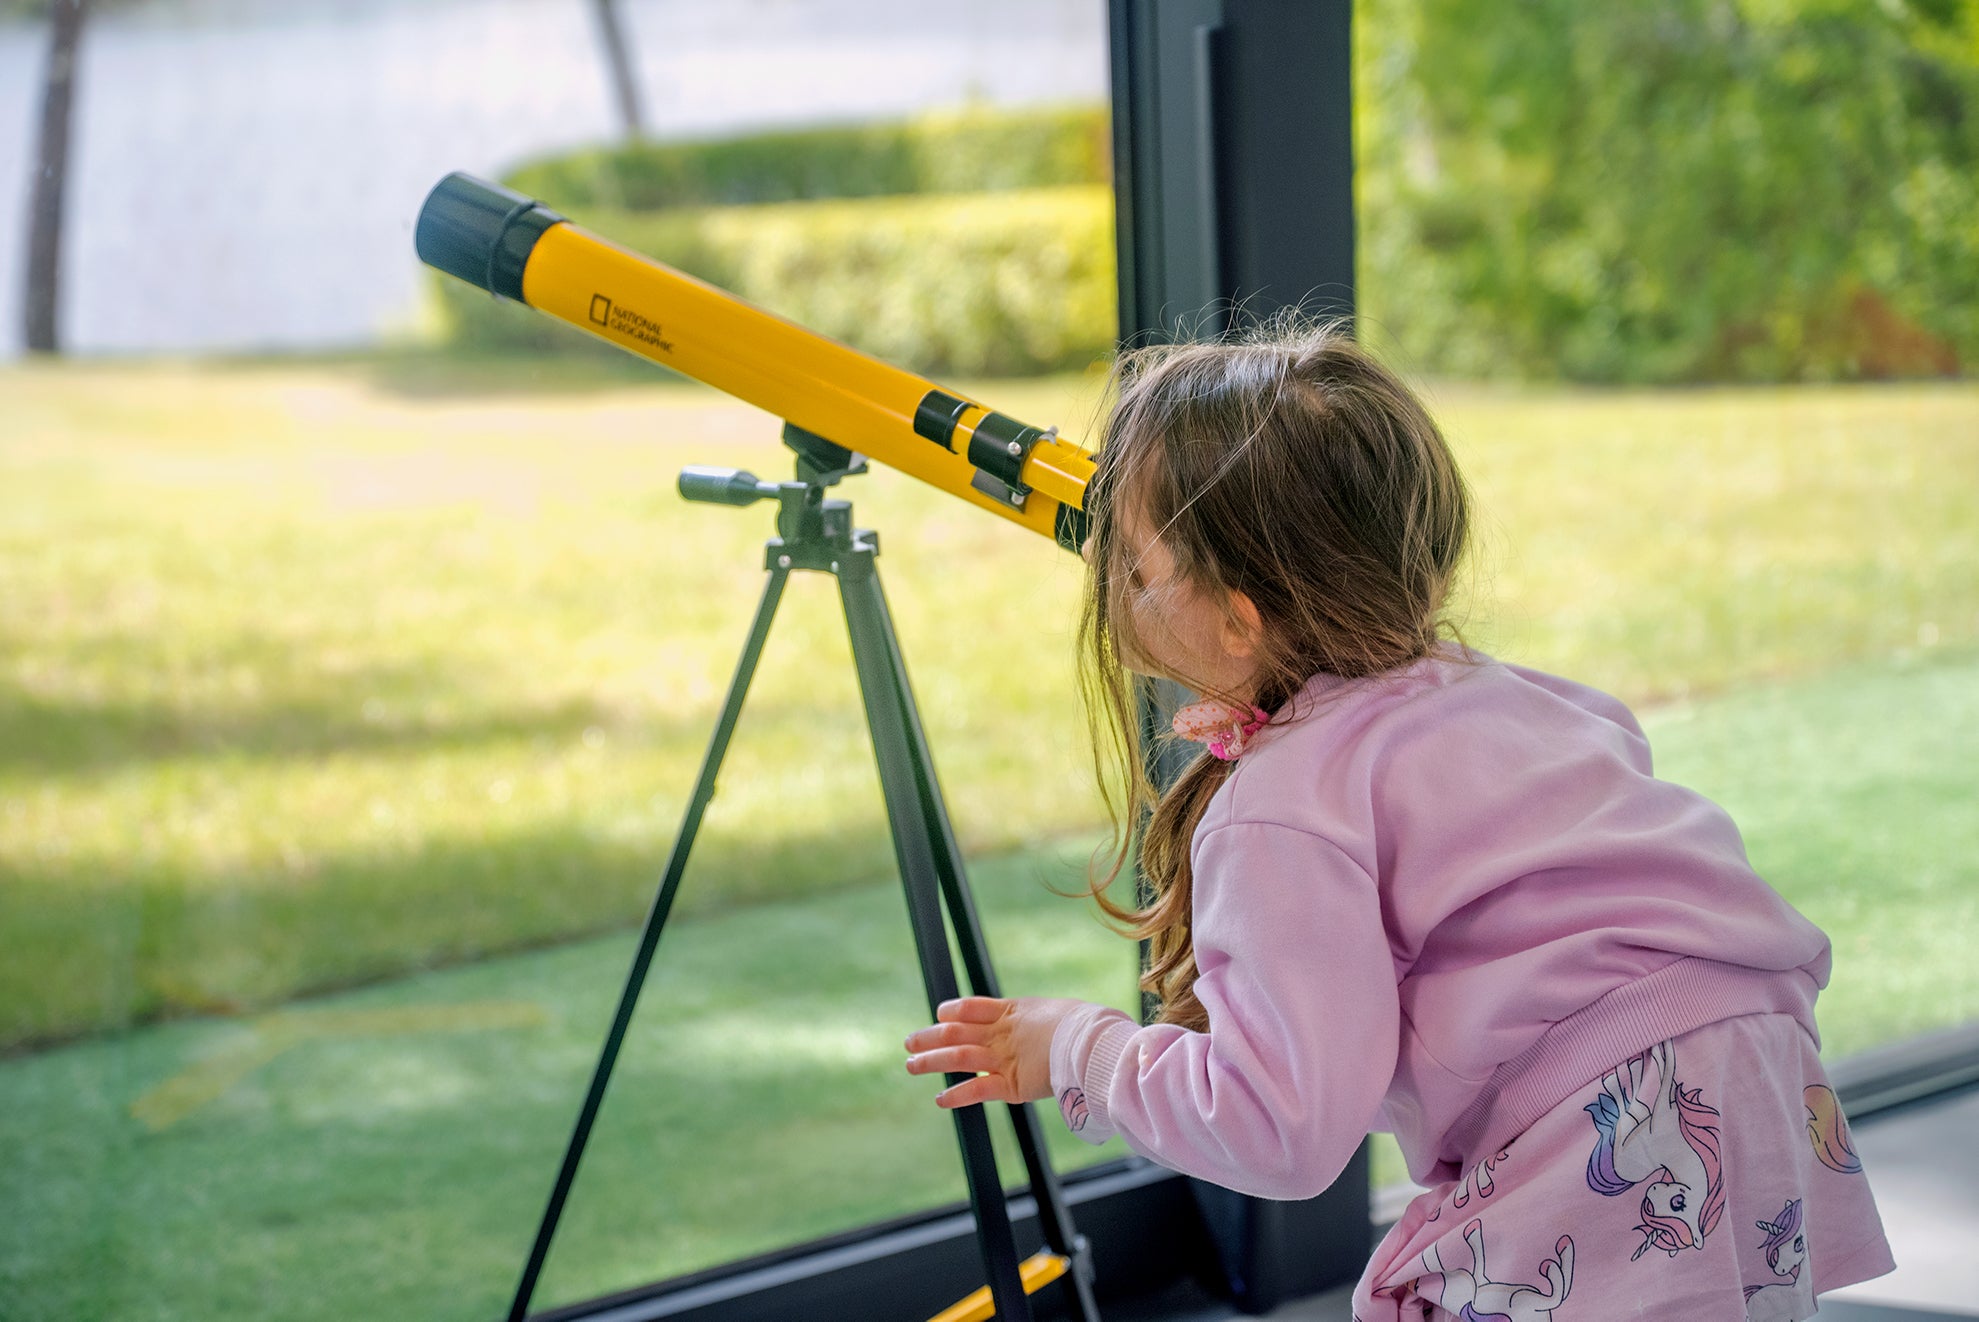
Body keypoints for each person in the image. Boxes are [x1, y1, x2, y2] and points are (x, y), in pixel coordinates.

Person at [901, 324, 1894, 1320]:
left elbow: (1277, 1126)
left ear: (1240, 618)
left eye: (1128, 557)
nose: (1103, 577)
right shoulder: (1511, 695)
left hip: (1617, 1100)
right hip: (1759, 1055)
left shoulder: (1282, 802)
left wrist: (1081, 1050)